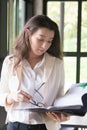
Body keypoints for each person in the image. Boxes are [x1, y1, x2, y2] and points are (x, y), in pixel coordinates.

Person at [0, 15, 69, 130]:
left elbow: (60, 97)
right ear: (28, 33)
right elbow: (1, 96)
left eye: (49, 41)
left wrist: (63, 114)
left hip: (45, 126)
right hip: (16, 125)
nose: (44, 45)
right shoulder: (10, 62)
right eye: (40, 39)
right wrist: (12, 96)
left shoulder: (57, 64)